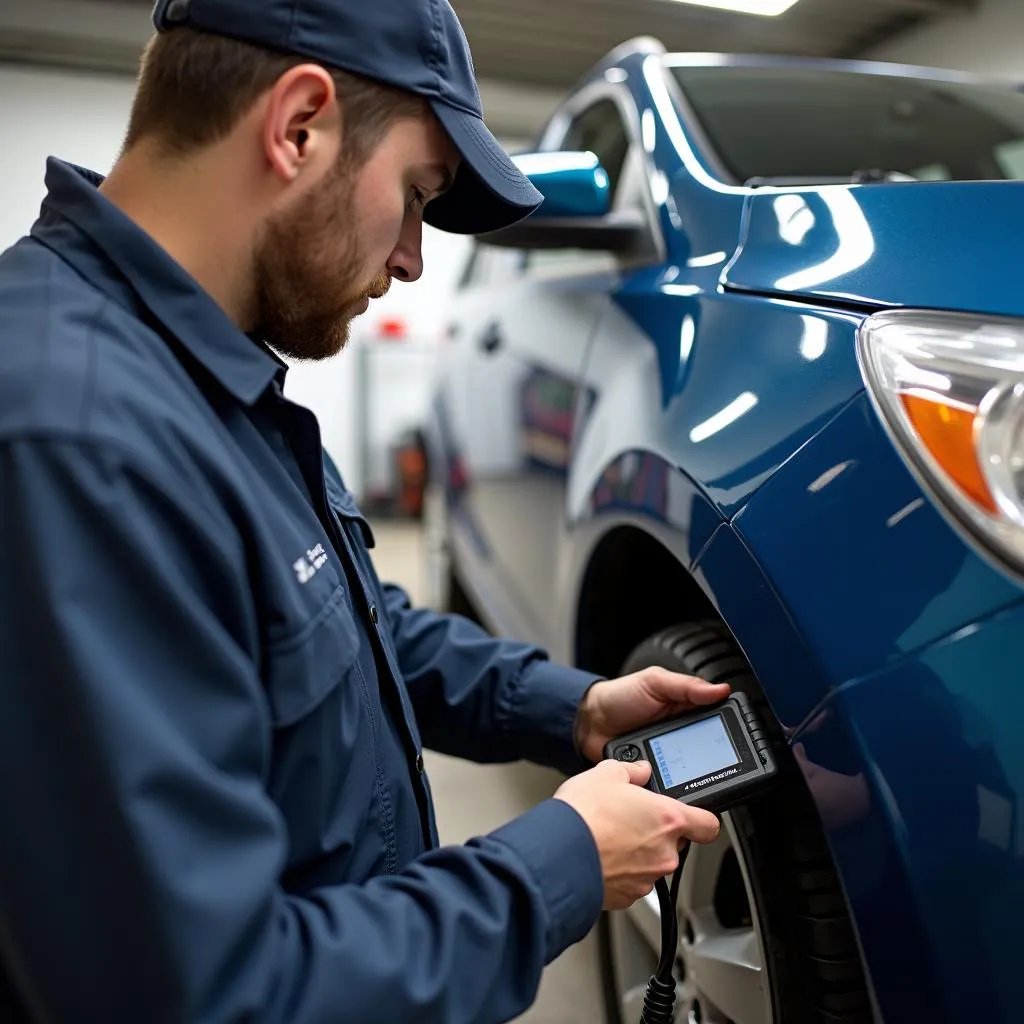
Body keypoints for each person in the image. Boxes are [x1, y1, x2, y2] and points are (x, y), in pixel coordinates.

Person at [0, 2, 729, 1021]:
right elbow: (207, 995)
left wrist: (566, 707)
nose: (414, 261)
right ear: (298, 126)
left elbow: (351, 626)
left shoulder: (201, 381)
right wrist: (556, 864)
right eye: (417, 196)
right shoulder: (71, 441)